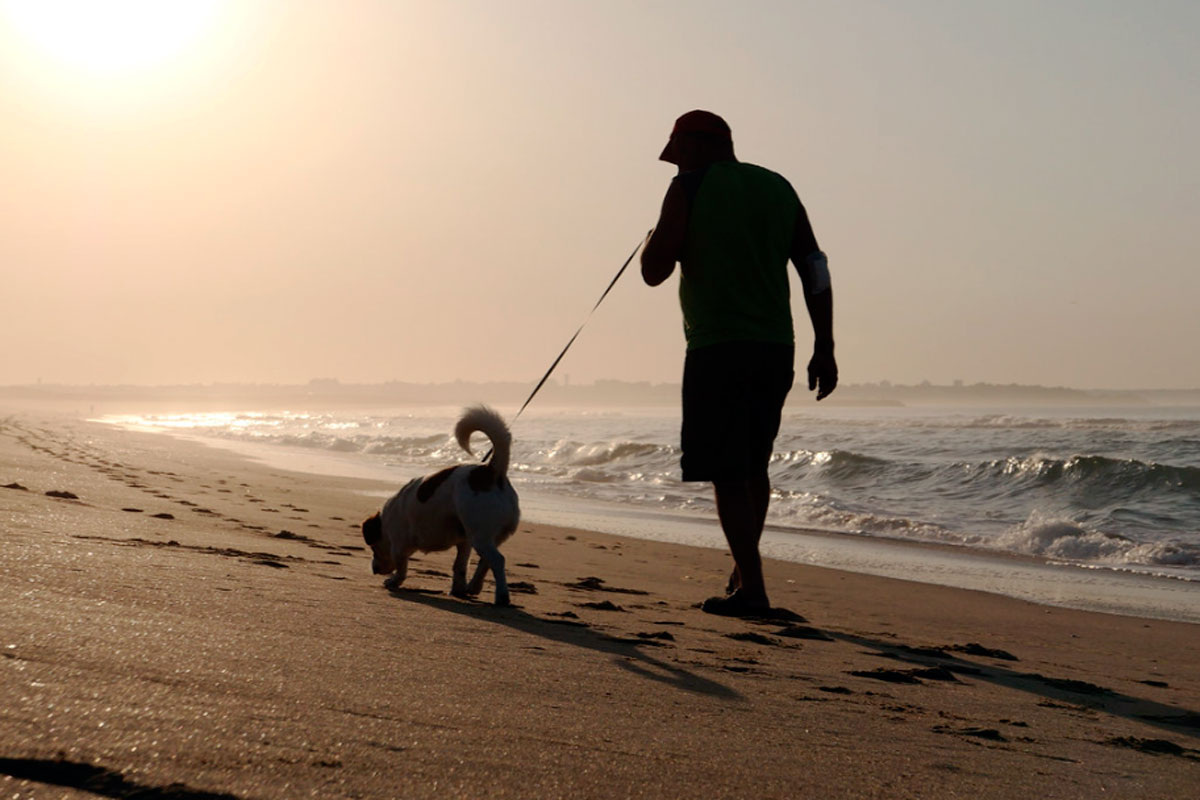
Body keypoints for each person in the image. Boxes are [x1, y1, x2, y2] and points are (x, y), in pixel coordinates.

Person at [641, 110, 837, 617]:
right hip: (777, 346)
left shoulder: (688, 187)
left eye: (677, 152)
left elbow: (653, 271)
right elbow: (814, 266)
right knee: (752, 466)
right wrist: (826, 344)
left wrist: (660, 232)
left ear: (691, 145)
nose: (675, 162)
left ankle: (753, 589)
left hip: (717, 346)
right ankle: (742, 575)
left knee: (728, 472)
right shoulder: (778, 187)